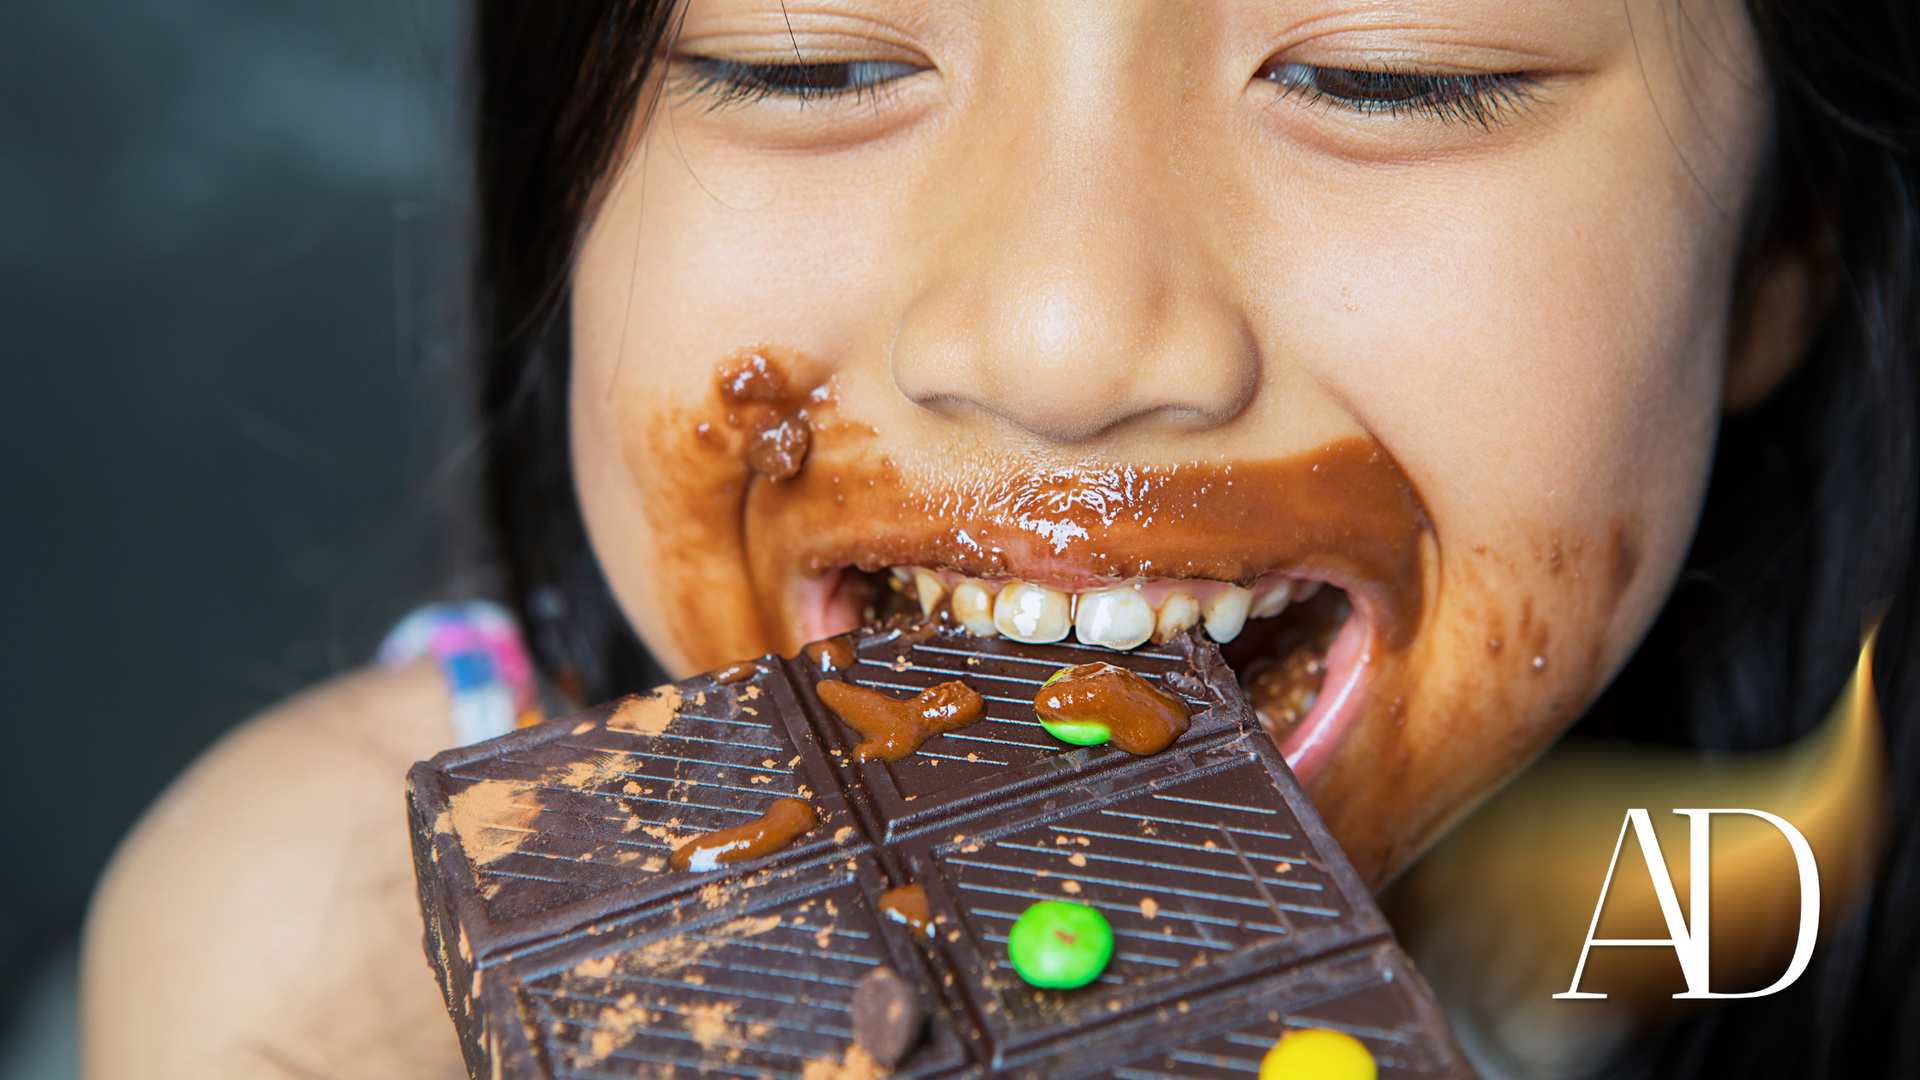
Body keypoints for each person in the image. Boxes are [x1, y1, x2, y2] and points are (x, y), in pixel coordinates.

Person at [79, 0, 1919, 1077]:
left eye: (1387, 68)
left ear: (1778, 257)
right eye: (805, 54)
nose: (1058, 341)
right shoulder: (331, 952)